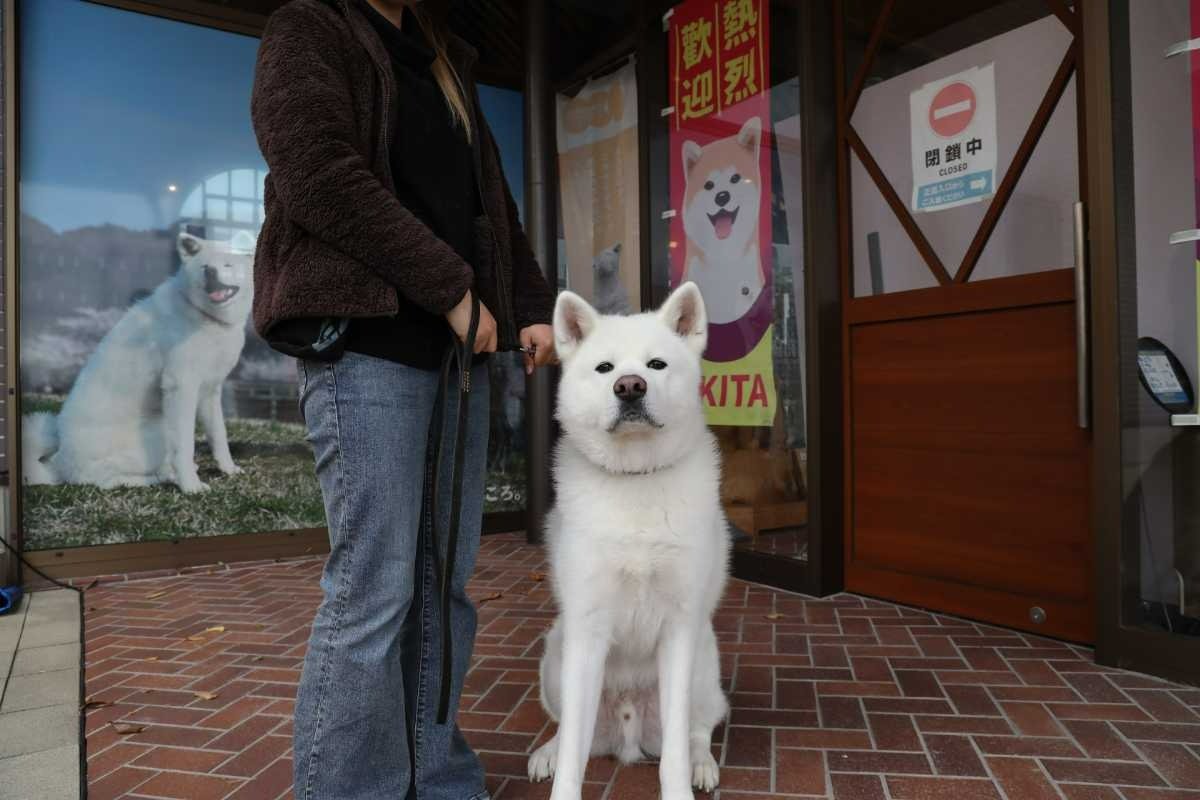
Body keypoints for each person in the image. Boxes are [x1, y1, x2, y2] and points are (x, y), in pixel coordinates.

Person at [250, 0, 556, 797]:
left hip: (456, 360)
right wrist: (453, 290)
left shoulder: (445, 56)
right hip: (367, 350)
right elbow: (318, 176)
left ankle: (438, 776)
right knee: (375, 590)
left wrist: (527, 305)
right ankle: (355, 787)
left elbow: (496, 209)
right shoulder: (310, 28)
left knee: (441, 587)